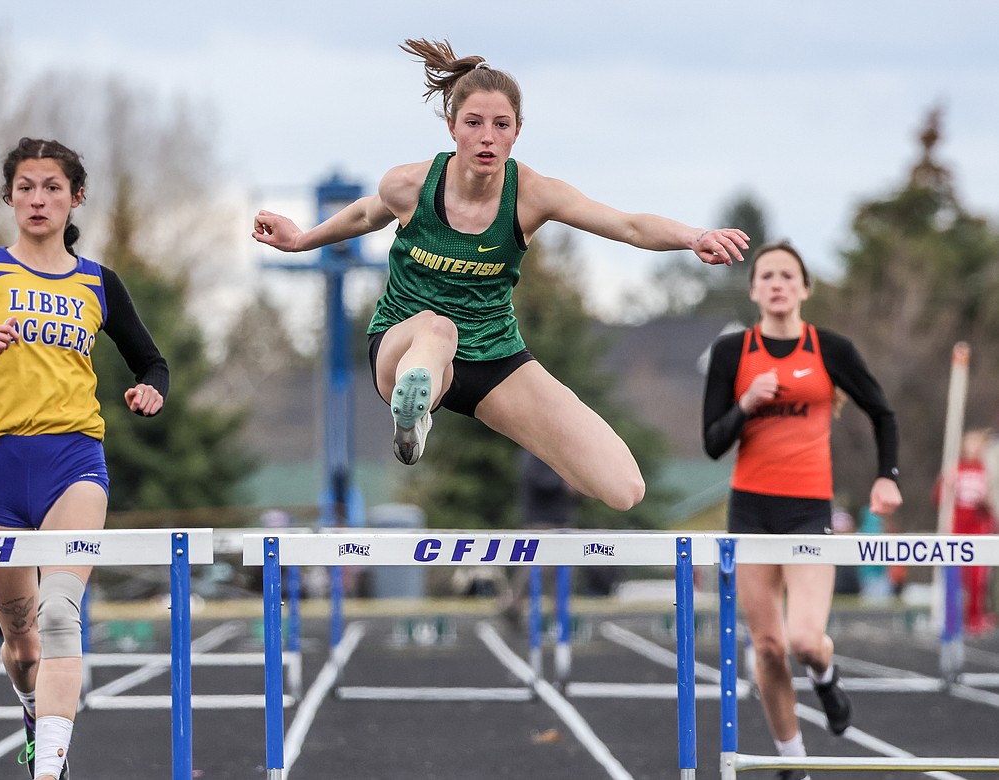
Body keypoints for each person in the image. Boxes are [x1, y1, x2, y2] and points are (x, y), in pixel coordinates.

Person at [253, 37, 748, 513]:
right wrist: (301, 239)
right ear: (452, 128)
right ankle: (415, 408)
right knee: (437, 327)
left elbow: (627, 225)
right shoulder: (408, 185)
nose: (486, 137)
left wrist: (692, 236)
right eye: (473, 123)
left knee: (624, 487)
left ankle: (430, 406)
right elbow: (364, 216)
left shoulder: (533, 194)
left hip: (492, 356)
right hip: (404, 347)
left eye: (500, 124)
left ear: (517, 131)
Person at [0, 137, 170, 780]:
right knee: (22, 641)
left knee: (61, 613)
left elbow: (149, 359)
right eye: (25, 187)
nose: (37, 199)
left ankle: (49, 767)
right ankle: (30, 706)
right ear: (9, 196)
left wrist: (151, 386)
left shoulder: (99, 282)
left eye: (51, 187)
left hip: (73, 461)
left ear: (75, 198)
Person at [702, 241, 902, 780]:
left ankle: (826, 674)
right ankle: (794, 762)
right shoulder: (732, 354)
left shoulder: (830, 349)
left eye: (788, 275)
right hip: (750, 513)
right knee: (768, 648)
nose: (777, 283)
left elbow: (882, 412)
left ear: (804, 288)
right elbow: (712, 443)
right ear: (753, 290)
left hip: (808, 510)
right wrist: (747, 405)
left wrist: (888, 477)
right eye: (766, 275)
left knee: (806, 642)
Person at [499, 448, 579, 626]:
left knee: (563, 568)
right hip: (540, 521)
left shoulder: (553, 451)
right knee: (535, 567)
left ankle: (560, 612)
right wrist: (565, 483)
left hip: (559, 520)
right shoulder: (536, 452)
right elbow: (539, 479)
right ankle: (512, 605)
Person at [933, 428, 996, 635]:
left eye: (976, 443)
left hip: (978, 530)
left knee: (978, 578)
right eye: (969, 442)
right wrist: (945, 483)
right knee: (954, 575)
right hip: (957, 529)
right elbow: (939, 499)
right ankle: (952, 618)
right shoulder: (955, 469)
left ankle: (975, 617)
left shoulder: (987, 471)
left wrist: (987, 503)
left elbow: (990, 505)